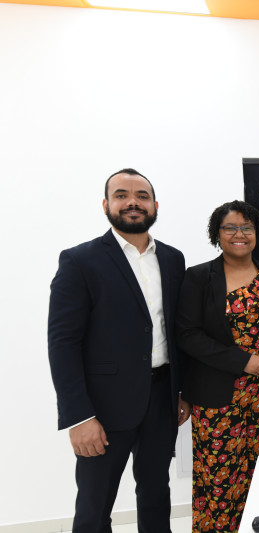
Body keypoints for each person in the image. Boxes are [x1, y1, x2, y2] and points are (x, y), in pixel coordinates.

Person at [48, 168, 189, 533]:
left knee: (157, 494)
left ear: (155, 205)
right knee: (95, 506)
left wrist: (181, 391)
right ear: (106, 204)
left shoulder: (173, 259)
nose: (132, 202)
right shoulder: (80, 261)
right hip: (103, 408)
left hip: (161, 400)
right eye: (122, 195)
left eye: (142, 195)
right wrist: (79, 417)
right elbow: (63, 343)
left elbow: (176, 331)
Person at [177, 200, 259, 533]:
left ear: (256, 233)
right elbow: (188, 335)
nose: (239, 234)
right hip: (218, 402)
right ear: (218, 234)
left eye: (247, 227)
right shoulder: (198, 277)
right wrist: (244, 361)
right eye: (230, 227)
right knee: (220, 485)